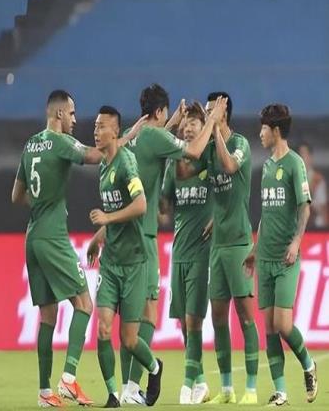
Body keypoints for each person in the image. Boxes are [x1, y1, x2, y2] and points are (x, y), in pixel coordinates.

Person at [11, 90, 144, 407]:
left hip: (32, 237)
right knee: (84, 303)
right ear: (59, 114)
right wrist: (127, 136)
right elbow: (97, 155)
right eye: (71, 113)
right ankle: (68, 378)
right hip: (53, 237)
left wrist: (41, 205)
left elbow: (16, 195)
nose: (74, 119)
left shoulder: (30, 145)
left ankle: (45, 392)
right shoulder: (61, 141)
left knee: (47, 315)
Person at [120, 84, 218, 405]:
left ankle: (133, 386)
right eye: (180, 120)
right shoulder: (163, 145)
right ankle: (137, 382)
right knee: (150, 312)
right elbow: (189, 152)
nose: (185, 126)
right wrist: (212, 120)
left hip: (125, 235)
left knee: (133, 316)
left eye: (193, 122)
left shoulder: (131, 135)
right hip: (148, 238)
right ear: (161, 111)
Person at [177, 93, 259, 405]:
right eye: (208, 111)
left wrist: (212, 130)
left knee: (246, 317)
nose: (209, 115)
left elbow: (229, 166)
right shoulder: (208, 149)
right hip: (217, 245)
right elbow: (183, 169)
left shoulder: (239, 144)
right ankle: (226, 390)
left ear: (224, 113)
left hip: (239, 242)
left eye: (213, 110)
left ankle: (250, 388)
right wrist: (180, 131)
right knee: (219, 318)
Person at [87, 106, 162, 408]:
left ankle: (154, 368)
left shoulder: (127, 162)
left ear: (115, 131)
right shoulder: (104, 166)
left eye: (102, 126)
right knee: (103, 329)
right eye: (95, 126)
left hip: (134, 264)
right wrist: (98, 237)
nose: (96, 131)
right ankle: (112, 395)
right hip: (111, 263)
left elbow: (141, 205)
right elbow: (115, 212)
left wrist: (106, 218)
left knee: (129, 339)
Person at [256, 104, 317, 406]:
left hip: (286, 258)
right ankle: (280, 391)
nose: (260, 133)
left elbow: (304, 207)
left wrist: (296, 241)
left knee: (283, 324)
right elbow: (266, 214)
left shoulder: (294, 164)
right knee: (269, 328)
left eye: (264, 128)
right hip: (264, 257)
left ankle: (308, 363)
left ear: (276, 130)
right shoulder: (267, 166)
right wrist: (255, 249)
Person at [160, 102, 213, 404]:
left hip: (203, 251)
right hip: (179, 250)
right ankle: (201, 382)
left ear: (203, 126)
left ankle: (187, 385)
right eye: (186, 123)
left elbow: (229, 192)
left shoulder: (210, 157)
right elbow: (164, 207)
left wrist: (218, 217)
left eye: (194, 122)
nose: (188, 127)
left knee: (194, 320)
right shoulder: (174, 163)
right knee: (183, 320)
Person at [297, 142, 328, 228]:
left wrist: (310, 203)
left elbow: (322, 207)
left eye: (304, 154)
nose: (302, 158)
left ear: (310, 157)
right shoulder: (292, 179)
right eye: (299, 155)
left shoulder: (318, 180)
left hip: (315, 224)